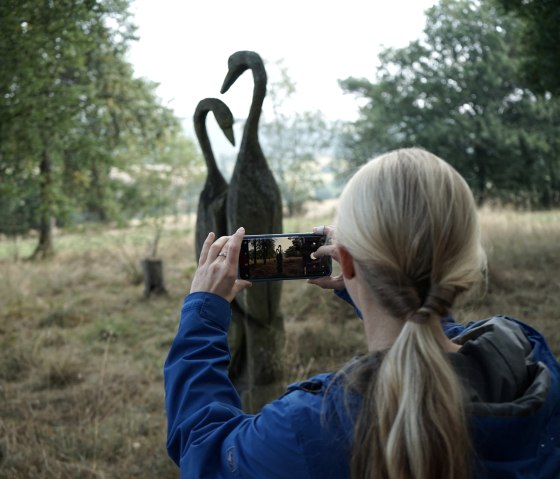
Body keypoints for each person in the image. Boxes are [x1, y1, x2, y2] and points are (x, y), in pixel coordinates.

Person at [164, 148, 560, 479]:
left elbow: (205, 449)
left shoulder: (313, 426)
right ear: (465, 261)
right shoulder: (527, 358)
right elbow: (442, 340)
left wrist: (203, 312)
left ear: (347, 262)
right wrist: (370, 290)